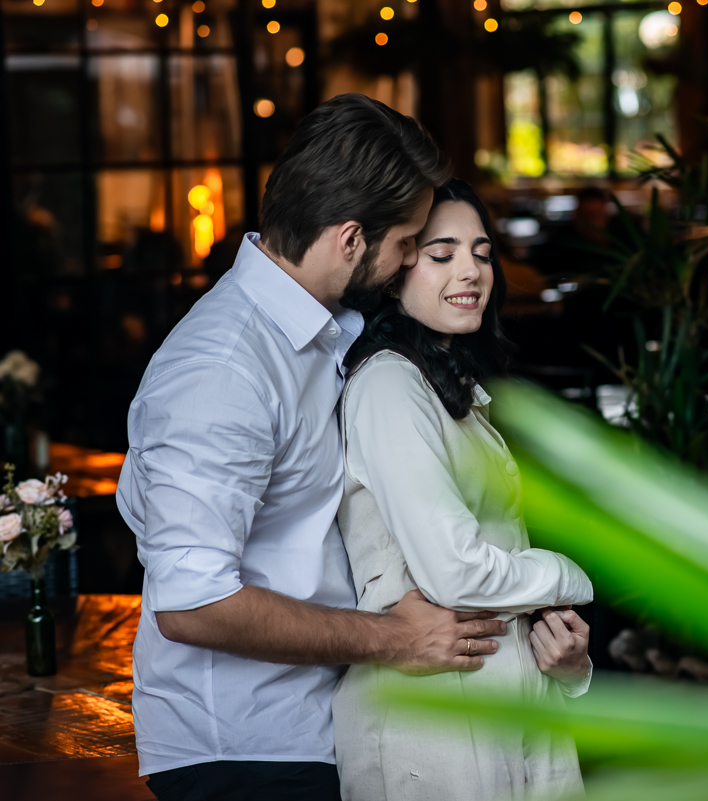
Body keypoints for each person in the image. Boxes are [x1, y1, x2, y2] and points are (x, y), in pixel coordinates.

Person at [115, 95, 579, 801]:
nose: (405, 266)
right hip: (242, 749)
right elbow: (192, 604)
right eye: (408, 245)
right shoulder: (222, 368)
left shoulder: (328, 331)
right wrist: (394, 637)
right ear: (352, 239)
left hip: (316, 724)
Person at [334, 179, 594, 801]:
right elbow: (454, 571)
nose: (471, 271)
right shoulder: (389, 386)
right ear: (396, 270)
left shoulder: (447, 386)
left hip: (505, 698)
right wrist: (567, 577)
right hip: (436, 718)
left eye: (481, 252)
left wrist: (567, 661)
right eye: (441, 253)